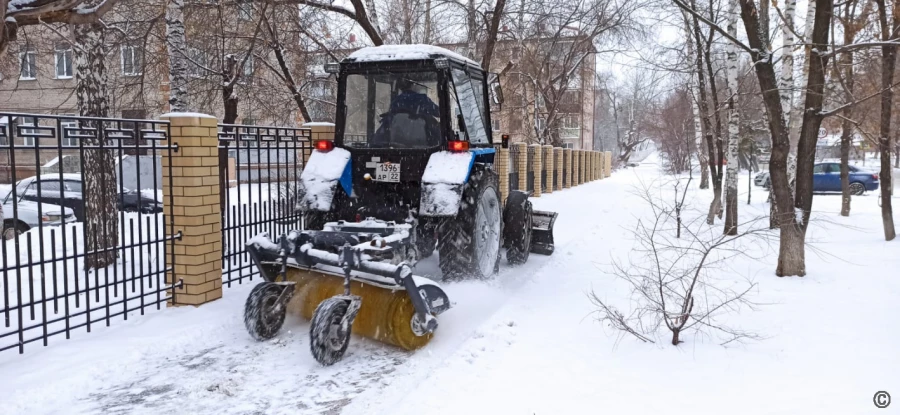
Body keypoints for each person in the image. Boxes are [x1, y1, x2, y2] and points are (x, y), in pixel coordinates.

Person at [372, 78, 440, 147]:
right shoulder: (422, 99)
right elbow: (438, 112)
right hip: (423, 142)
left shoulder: (396, 101)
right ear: (413, 85)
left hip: (397, 142)